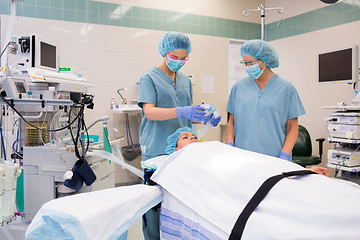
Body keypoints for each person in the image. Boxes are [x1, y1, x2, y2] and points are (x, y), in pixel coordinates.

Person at [137, 31, 221, 240]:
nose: (179, 62)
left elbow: (186, 115)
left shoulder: (185, 80)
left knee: (177, 205)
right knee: (154, 207)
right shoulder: (149, 77)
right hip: (157, 148)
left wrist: (204, 119)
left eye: (184, 58)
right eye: (175, 57)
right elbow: (149, 112)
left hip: (182, 152)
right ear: (165, 53)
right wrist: (182, 111)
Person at [226, 39, 305, 162]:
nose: (247, 67)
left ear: (264, 61)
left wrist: (285, 154)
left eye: (251, 63)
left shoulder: (286, 88)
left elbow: (292, 127)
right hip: (241, 156)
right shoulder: (239, 87)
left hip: (273, 157)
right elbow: (231, 121)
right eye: (245, 63)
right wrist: (229, 143)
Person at [166, 126, 328, 176]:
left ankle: (304, 172)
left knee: (261, 165)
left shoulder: (211, 149)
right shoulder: (181, 164)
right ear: (176, 148)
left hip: (240, 166)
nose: (193, 137)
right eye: (186, 138)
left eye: (194, 136)